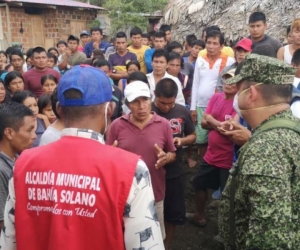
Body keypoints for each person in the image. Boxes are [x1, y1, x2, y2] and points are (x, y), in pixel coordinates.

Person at [1, 65, 164, 249]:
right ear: (109, 110)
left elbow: (8, 242)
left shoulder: (23, 164)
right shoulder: (132, 169)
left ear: (59, 109)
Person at [219, 53, 300, 250]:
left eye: (239, 89)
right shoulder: (290, 127)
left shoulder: (266, 148)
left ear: (252, 93)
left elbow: (270, 238)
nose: (236, 96)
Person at [107, 80, 176, 240]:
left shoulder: (163, 124)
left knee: (156, 237)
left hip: (155, 193)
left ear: (151, 100)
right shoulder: (117, 126)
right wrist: (112, 156)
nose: (141, 106)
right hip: (125, 194)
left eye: (145, 100)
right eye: (135, 102)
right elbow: (109, 156)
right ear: (127, 104)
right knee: (126, 237)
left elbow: (172, 153)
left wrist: (167, 158)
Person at [151, 78, 196, 250]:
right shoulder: (146, 111)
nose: (166, 107)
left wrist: (181, 140)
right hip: (152, 170)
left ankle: (166, 245)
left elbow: (193, 136)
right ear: (155, 95)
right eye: (162, 103)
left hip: (174, 171)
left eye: (170, 104)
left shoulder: (182, 111)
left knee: (172, 212)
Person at [191, 30, 235, 162]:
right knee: (201, 139)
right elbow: (195, 83)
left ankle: (217, 163)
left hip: (220, 105)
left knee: (218, 136)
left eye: (215, 43)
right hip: (201, 105)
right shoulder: (200, 60)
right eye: (209, 43)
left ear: (222, 46)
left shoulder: (229, 61)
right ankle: (204, 164)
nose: (211, 46)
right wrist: (193, 107)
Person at [0, 102, 36, 228]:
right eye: (29, 130)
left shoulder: (18, 159)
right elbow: (3, 223)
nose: (34, 136)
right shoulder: (1, 169)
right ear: (9, 133)